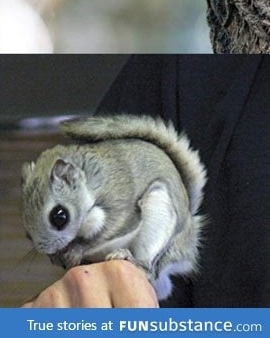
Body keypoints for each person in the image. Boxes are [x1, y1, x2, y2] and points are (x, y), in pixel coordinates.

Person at [24, 55, 270, 307]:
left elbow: (123, 223)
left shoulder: (111, 190)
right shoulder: (184, 71)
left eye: (59, 217)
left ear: (68, 176)